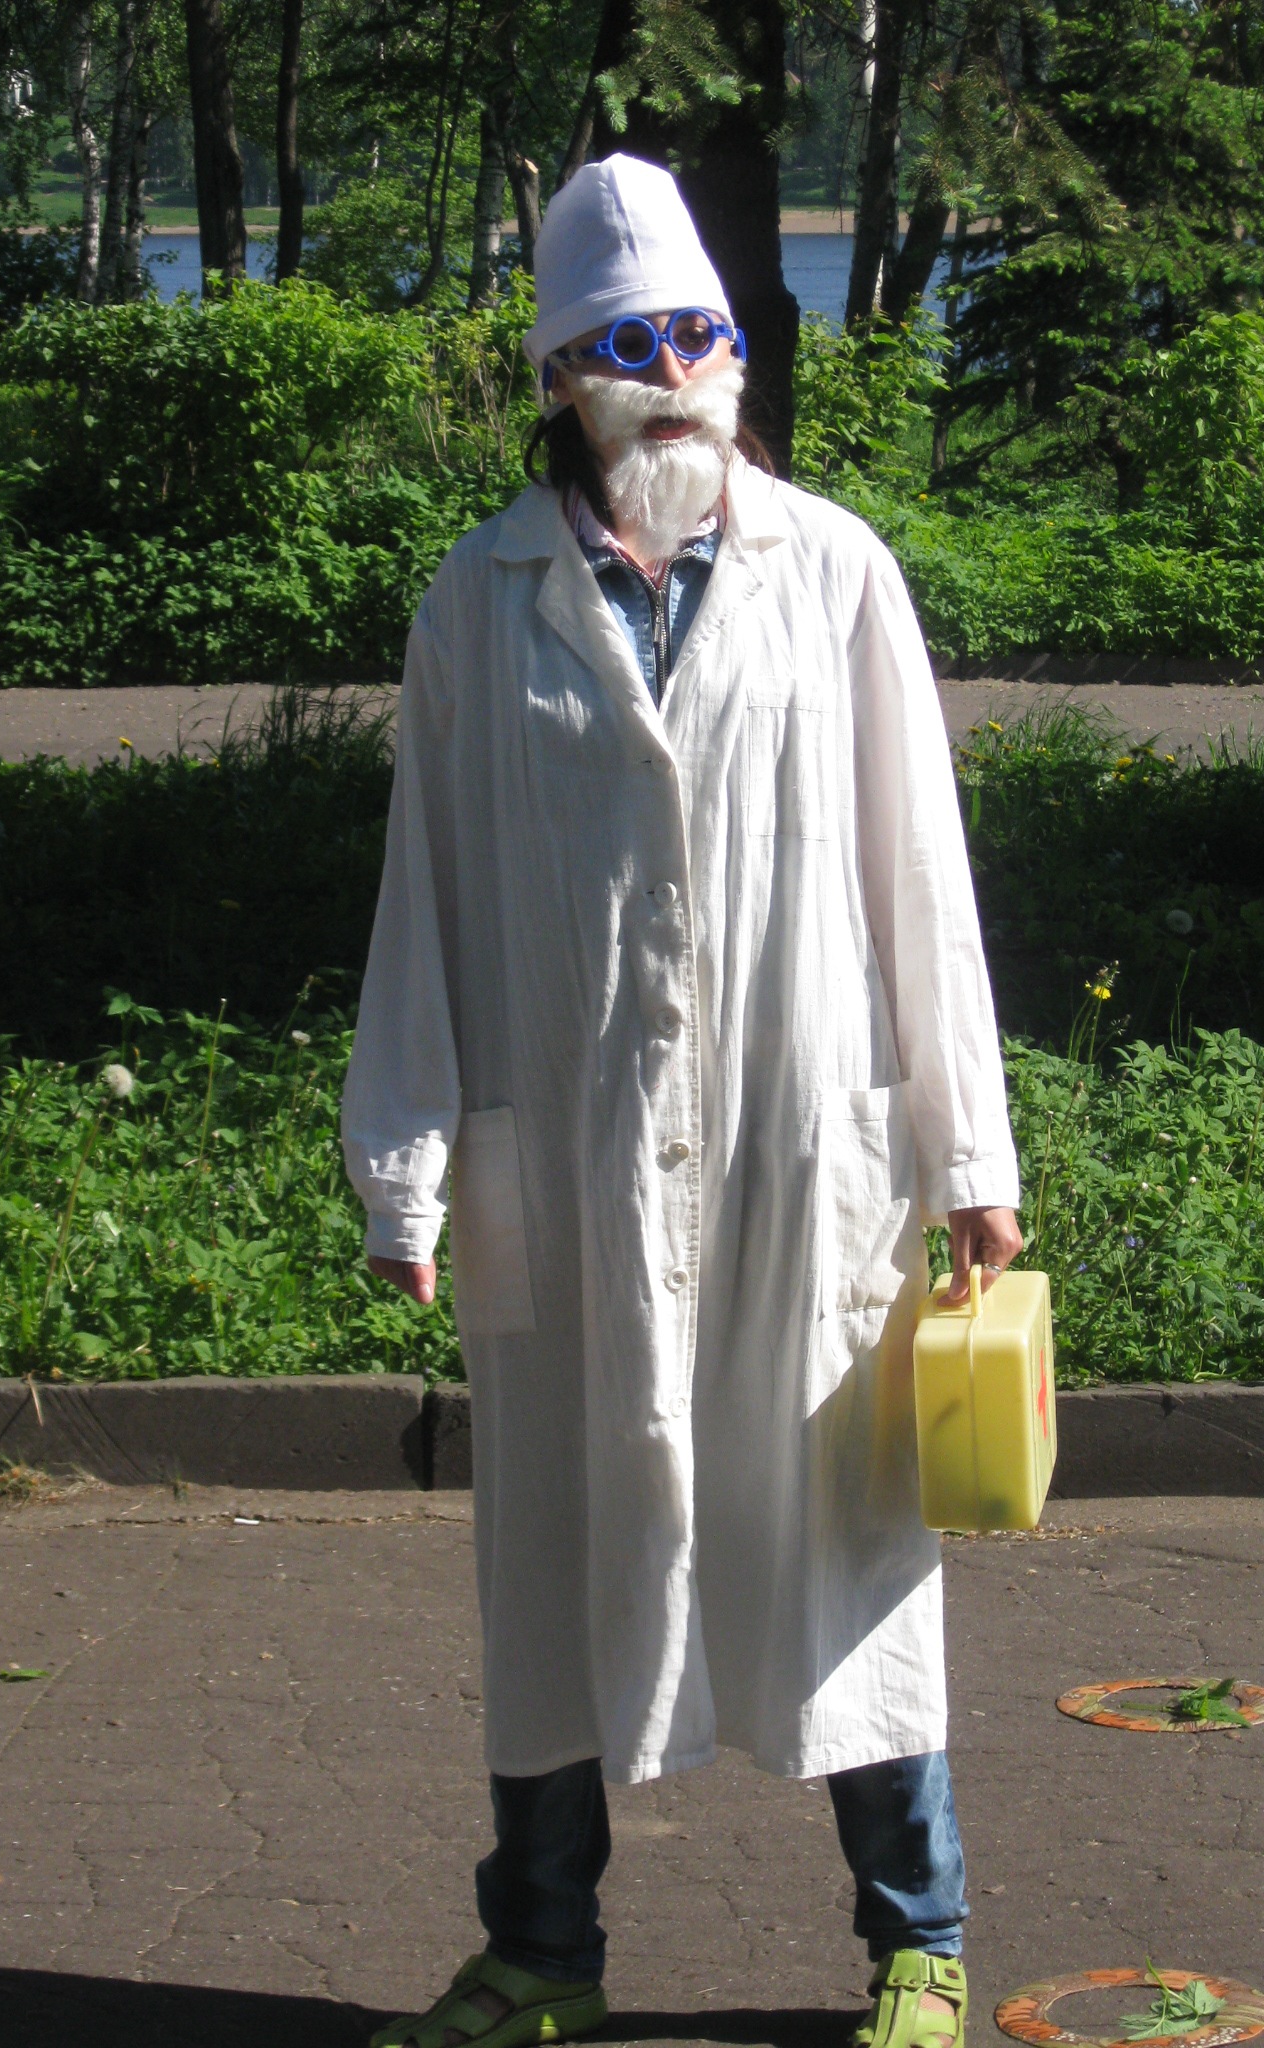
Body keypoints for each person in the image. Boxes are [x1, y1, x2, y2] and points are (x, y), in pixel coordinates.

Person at [342, 153, 1022, 2048]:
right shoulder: (481, 600)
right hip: (566, 1159)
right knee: (558, 1561)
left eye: (698, 341)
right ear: (563, 377)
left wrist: (967, 1148)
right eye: (631, 347)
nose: (673, 380)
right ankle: (541, 1952)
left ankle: (921, 1943)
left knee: (849, 1544)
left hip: (807, 1153)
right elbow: (425, 892)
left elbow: (922, 876)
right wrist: (406, 1165)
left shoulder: (837, 573)